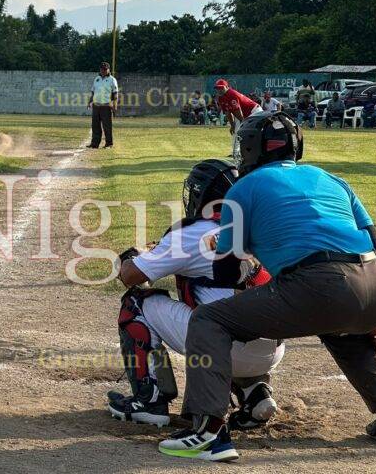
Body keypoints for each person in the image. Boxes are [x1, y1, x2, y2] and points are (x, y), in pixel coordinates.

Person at [159, 111, 376, 462]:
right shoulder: (331, 178)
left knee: (209, 320)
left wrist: (224, 247)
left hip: (319, 284)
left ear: (249, 149)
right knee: (340, 328)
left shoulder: (242, 188)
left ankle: (208, 430)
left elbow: (229, 272)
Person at [112, 159, 284, 433]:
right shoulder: (259, 226)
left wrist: (133, 256)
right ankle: (256, 393)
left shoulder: (193, 233)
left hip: (224, 346)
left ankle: (149, 402)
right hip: (273, 346)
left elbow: (131, 276)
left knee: (137, 303)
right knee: (228, 303)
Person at [215, 79, 263, 158]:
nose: (219, 90)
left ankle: (257, 151)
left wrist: (243, 123)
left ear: (227, 87)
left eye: (221, 87)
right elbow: (227, 112)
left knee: (253, 133)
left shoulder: (231, 94)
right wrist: (232, 125)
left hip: (254, 112)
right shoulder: (221, 98)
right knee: (236, 132)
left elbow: (238, 110)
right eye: (217, 88)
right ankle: (236, 153)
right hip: (243, 114)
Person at [87, 62, 118, 148]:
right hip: (96, 106)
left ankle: (109, 144)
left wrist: (115, 106)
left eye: (105, 69)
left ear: (108, 70)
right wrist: (89, 102)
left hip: (106, 106)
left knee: (107, 126)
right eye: (102, 69)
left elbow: (115, 94)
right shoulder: (97, 79)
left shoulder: (112, 80)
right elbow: (93, 91)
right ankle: (95, 143)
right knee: (95, 126)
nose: (103, 71)